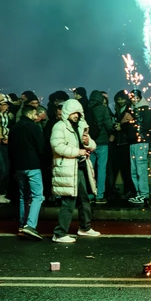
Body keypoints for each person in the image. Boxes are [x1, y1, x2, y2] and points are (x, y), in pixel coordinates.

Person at [49, 98, 101, 242]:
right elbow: (57, 146)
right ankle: (59, 233)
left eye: (78, 113)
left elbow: (93, 145)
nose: (76, 115)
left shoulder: (81, 126)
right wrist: (78, 152)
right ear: (67, 112)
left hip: (79, 167)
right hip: (68, 167)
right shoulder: (60, 126)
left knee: (84, 199)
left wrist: (88, 143)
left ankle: (85, 227)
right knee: (69, 201)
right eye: (73, 113)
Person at [9, 105, 49, 239]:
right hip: (32, 165)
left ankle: (22, 224)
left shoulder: (14, 128)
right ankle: (31, 225)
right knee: (37, 196)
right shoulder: (34, 127)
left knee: (23, 196)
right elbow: (41, 147)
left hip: (18, 166)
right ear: (31, 113)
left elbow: (10, 149)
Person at [86, 90, 114, 204]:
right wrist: (111, 133)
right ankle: (100, 194)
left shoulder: (86, 109)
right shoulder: (103, 109)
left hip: (90, 143)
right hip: (102, 142)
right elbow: (108, 124)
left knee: (90, 169)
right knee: (101, 169)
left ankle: (91, 193)